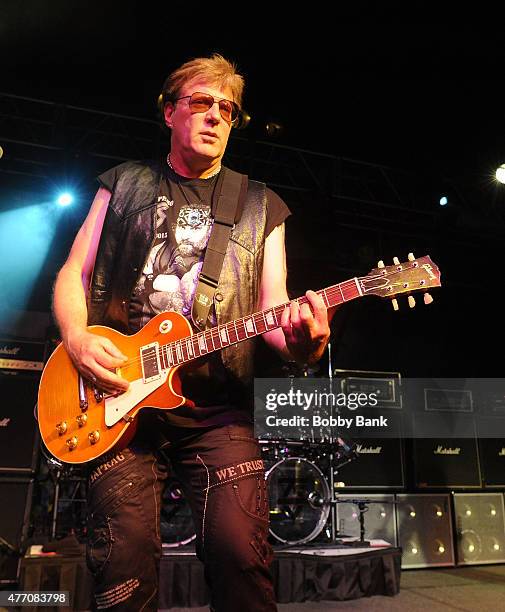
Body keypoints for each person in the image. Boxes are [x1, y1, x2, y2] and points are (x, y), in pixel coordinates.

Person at [52, 53, 332, 612]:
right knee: (122, 568)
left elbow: (272, 311)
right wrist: (78, 339)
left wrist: (305, 341)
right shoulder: (124, 184)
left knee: (241, 557)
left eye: (226, 110)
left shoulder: (260, 205)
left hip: (216, 414)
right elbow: (74, 273)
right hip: (117, 405)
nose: (214, 117)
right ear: (169, 112)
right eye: (201, 102)